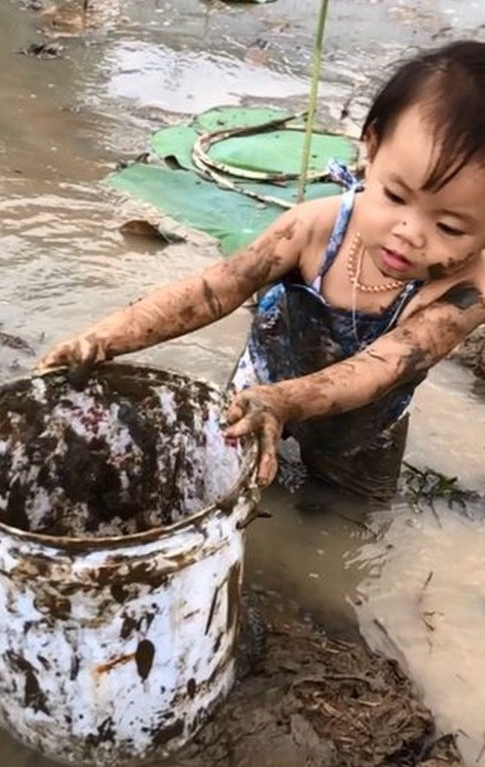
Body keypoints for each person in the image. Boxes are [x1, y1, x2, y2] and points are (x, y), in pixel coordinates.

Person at [38, 40, 485, 501]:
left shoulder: (467, 291)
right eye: (394, 197)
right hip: (260, 388)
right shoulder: (315, 228)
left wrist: (287, 402)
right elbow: (215, 288)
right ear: (371, 146)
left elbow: (381, 369)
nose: (410, 233)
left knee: (351, 512)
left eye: (450, 226)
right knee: (226, 488)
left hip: (363, 427)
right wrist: (105, 338)